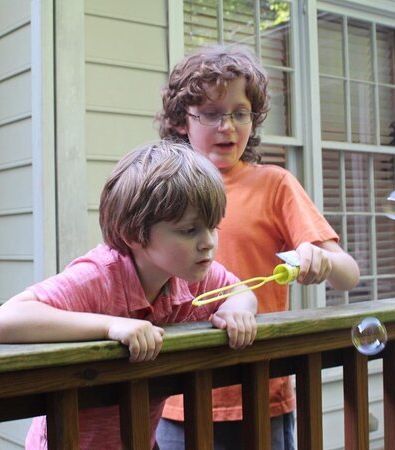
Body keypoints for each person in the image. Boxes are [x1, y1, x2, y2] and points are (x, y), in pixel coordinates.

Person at [0, 140, 258, 450]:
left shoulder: (194, 276)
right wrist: (111, 326)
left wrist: (238, 310)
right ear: (134, 234)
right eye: (189, 230)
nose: (208, 242)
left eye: (213, 227)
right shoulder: (100, 276)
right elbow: (4, 322)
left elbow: (241, 292)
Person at [156, 45, 360, 449]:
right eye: (211, 114)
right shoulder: (163, 188)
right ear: (182, 120)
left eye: (239, 113)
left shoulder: (274, 184)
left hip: (258, 391)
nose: (227, 126)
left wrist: (320, 259)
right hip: (174, 394)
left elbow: (348, 273)